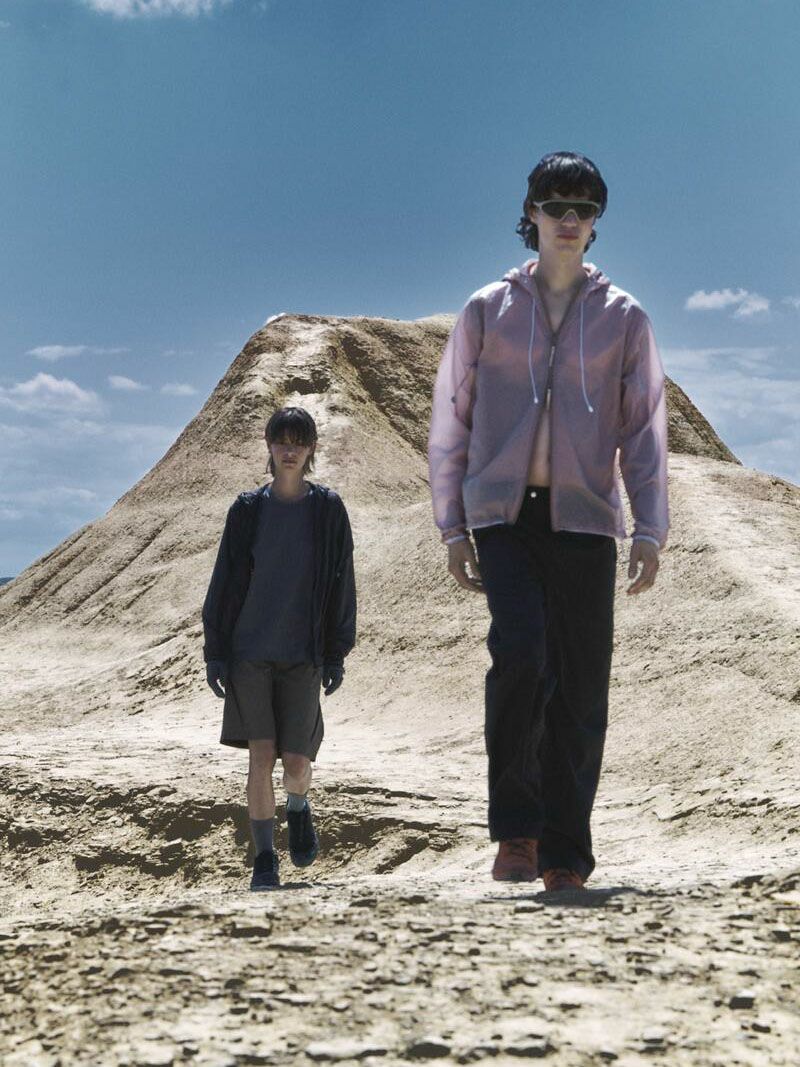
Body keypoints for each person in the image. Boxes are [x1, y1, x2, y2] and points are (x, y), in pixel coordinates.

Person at [427, 151, 668, 889]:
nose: (569, 219)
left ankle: (566, 855)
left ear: (596, 223)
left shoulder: (625, 318)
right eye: (555, 205)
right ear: (530, 213)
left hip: (588, 520)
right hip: (505, 517)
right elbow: (451, 421)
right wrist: (452, 527)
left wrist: (649, 529)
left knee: (582, 687)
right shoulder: (486, 309)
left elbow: (644, 430)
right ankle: (518, 833)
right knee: (523, 656)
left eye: (583, 209)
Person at [202, 406, 356, 890]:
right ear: (269, 446)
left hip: (303, 654)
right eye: (282, 442)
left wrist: (336, 651)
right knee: (260, 756)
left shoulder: (327, 510)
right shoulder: (247, 510)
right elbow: (224, 581)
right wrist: (215, 651)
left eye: (299, 442)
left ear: (311, 449)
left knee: (296, 764)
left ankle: (299, 804)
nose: (290, 451)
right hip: (249, 652)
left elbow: (343, 582)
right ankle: (265, 860)